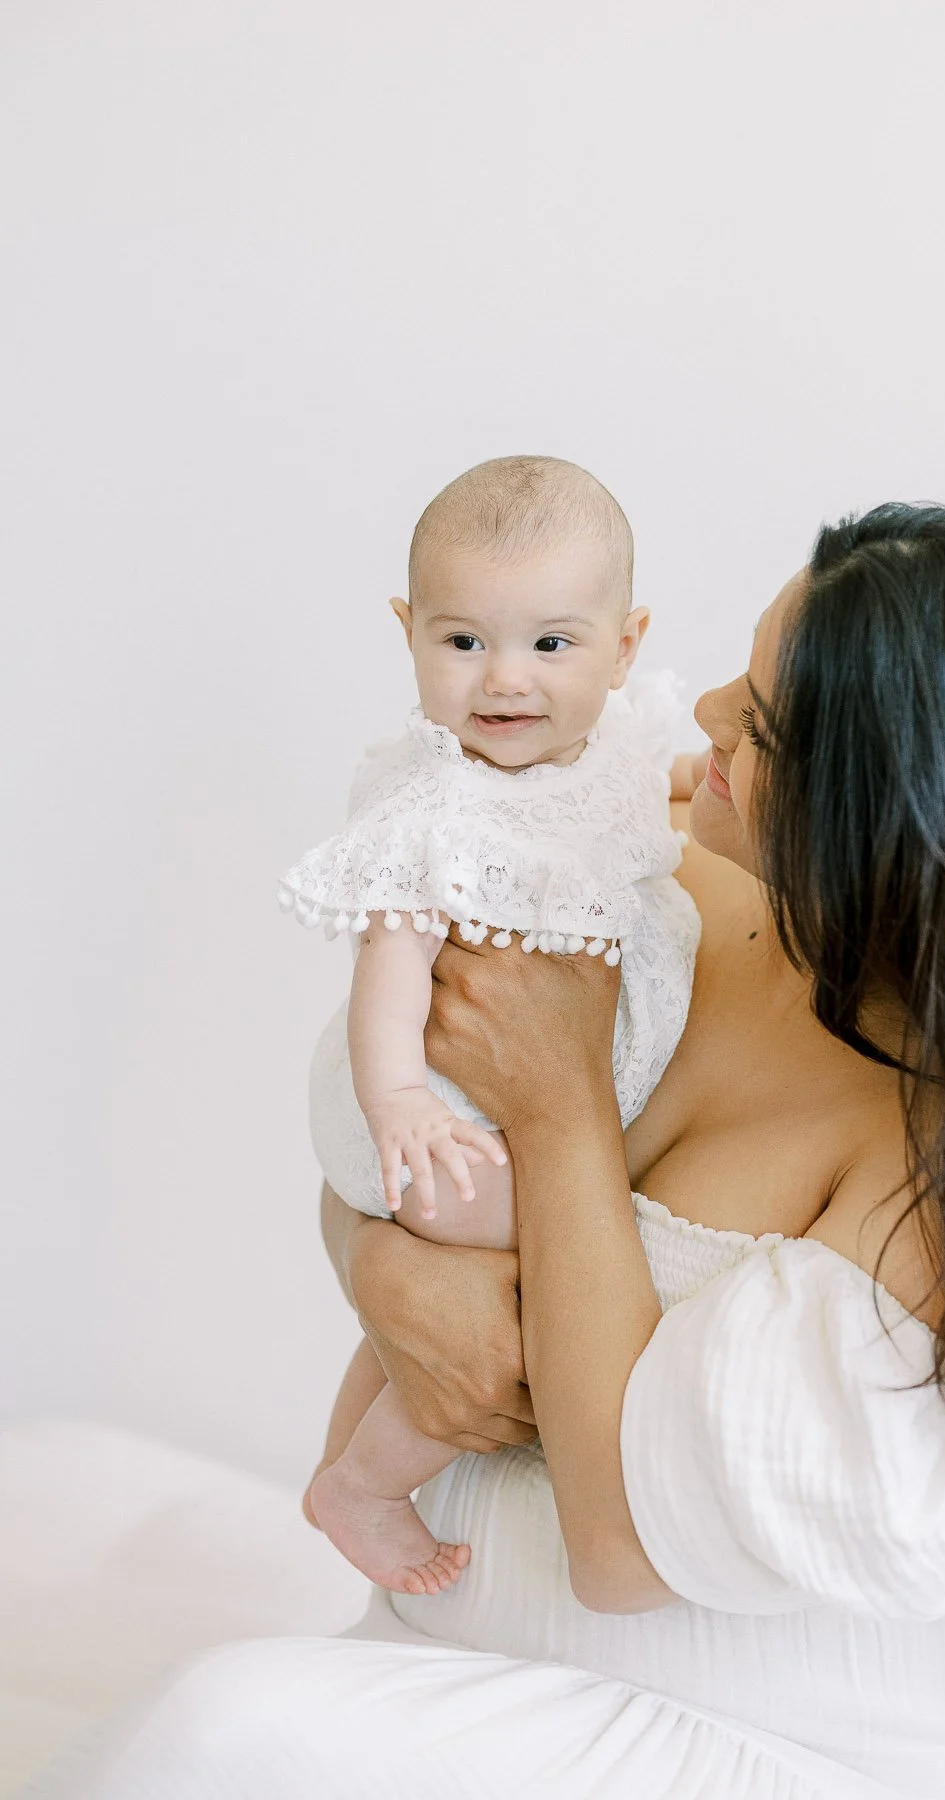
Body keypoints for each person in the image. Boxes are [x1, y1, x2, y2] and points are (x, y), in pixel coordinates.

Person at [28, 504, 945, 1800]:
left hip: (755, 1745)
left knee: (224, 1732)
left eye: (765, 723)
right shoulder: (661, 887)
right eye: (746, 665)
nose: (707, 713)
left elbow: (619, 1547)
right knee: (209, 1734)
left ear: (895, 826)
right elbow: (382, 1128)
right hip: (452, 1658)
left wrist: (560, 1104)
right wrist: (383, 1271)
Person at [278, 455, 700, 1595]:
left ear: (626, 643)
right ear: (409, 631)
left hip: (473, 1098)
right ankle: (364, 1484)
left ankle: (340, 1467)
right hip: (428, 1103)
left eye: (550, 645)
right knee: (540, 1285)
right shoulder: (439, 803)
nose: (505, 680)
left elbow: (680, 796)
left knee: (500, 1272)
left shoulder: (616, 754)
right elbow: (392, 970)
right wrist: (399, 1103)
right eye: (463, 642)